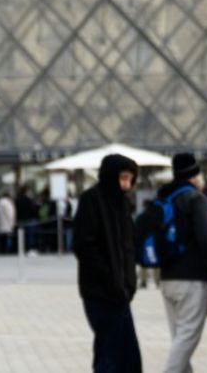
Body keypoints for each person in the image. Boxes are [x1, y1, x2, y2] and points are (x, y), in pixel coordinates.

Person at [155, 151, 207, 373]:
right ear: (195, 176)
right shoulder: (196, 199)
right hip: (192, 279)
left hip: (167, 278)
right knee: (186, 339)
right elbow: (205, 238)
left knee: (179, 338)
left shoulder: (164, 198)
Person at [73, 153, 142, 372]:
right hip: (100, 291)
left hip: (120, 293)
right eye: (123, 177)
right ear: (110, 175)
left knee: (123, 354)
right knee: (112, 353)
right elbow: (85, 246)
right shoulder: (91, 199)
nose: (126, 184)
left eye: (130, 178)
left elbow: (129, 247)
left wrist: (129, 283)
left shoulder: (123, 203)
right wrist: (110, 279)